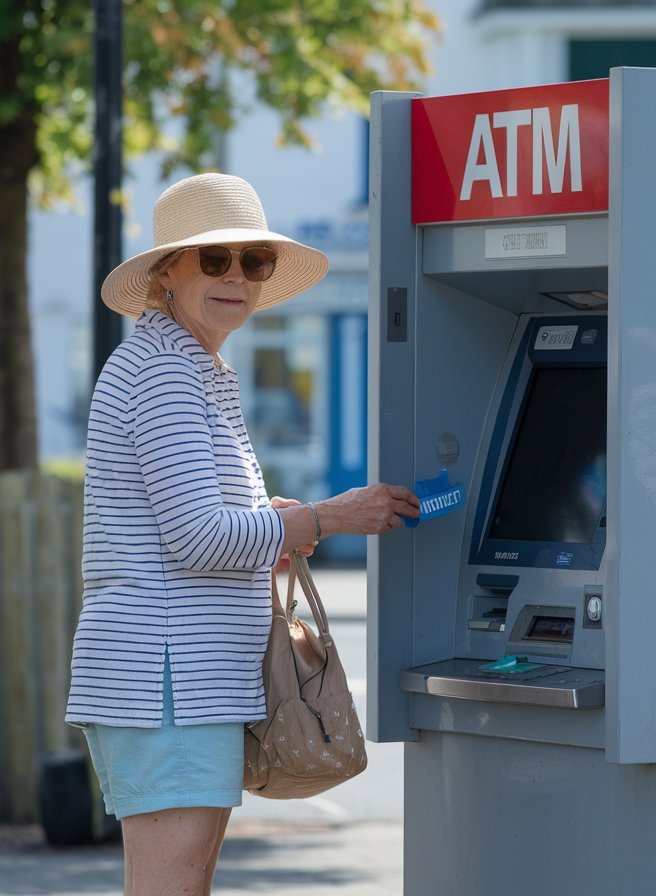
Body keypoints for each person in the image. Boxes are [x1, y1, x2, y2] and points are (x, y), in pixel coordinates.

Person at [65, 172, 420, 896]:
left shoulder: (189, 366)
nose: (237, 277)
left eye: (253, 262)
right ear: (166, 270)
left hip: (179, 679)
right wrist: (325, 518)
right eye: (214, 259)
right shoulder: (166, 372)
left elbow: (193, 517)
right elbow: (198, 538)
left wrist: (273, 517)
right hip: (168, 678)